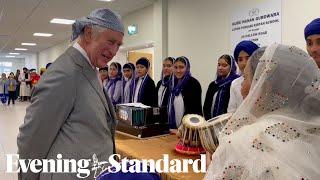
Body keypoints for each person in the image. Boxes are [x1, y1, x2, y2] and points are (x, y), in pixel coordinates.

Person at [17, 8, 124, 180]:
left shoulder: (89, 68)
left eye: (118, 45)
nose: (114, 51)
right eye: (111, 41)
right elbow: (32, 140)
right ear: (89, 33)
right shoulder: (65, 73)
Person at [205, 44, 320, 179]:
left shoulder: (241, 142)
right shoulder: (313, 131)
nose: (242, 85)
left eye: (246, 78)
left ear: (264, 86)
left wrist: (214, 164)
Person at [168, 56, 202, 129]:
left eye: (181, 67)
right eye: (176, 67)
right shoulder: (172, 83)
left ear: (187, 68)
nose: (178, 70)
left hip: (189, 128)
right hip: (174, 128)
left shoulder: (193, 83)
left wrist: (182, 128)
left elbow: (193, 109)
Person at [203, 54, 239, 120]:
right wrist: (208, 121)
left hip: (228, 122)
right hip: (211, 123)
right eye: (219, 65)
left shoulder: (235, 83)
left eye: (224, 65)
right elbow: (206, 106)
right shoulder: (213, 84)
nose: (220, 68)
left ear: (231, 67)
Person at [227, 40, 259, 113]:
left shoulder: (263, 80)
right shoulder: (235, 83)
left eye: (248, 58)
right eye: (240, 60)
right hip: (240, 123)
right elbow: (231, 111)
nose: (244, 63)